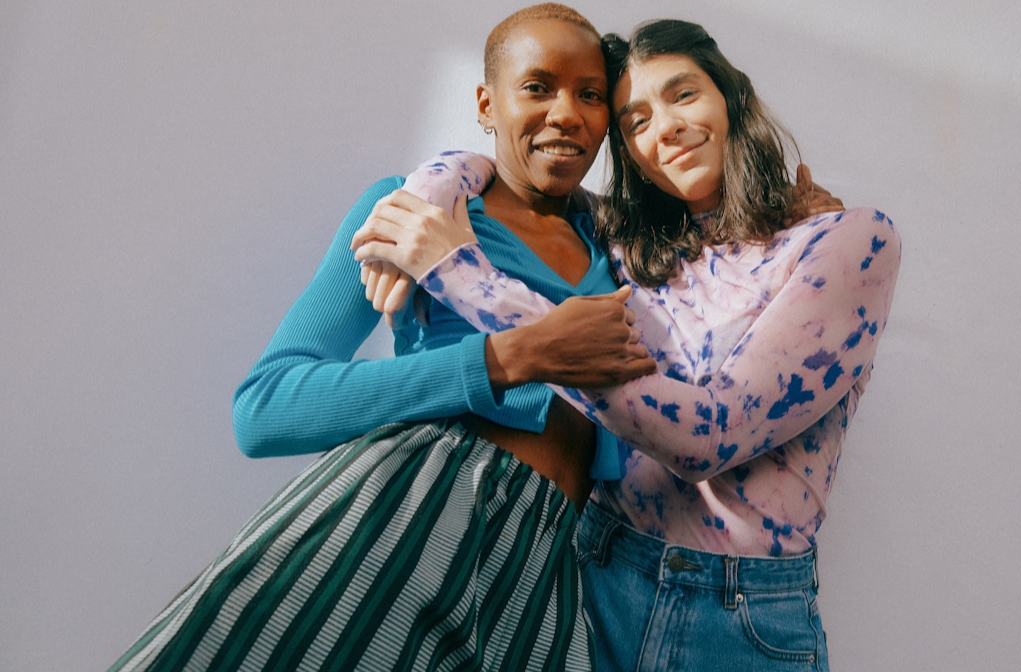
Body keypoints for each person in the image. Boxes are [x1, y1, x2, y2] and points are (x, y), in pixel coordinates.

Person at [107, 5, 657, 672]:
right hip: (408, 514)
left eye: (590, 94)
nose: (567, 112)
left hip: (547, 567)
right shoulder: (412, 209)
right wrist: (507, 358)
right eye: (537, 86)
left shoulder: (629, 252)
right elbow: (265, 408)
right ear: (487, 103)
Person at [351, 18, 902, 672]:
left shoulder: (848, 241)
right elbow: (500, 170)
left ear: (732, 98)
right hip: (592, 575)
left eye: (683, 95)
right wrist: (423, 198)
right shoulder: (627, 241)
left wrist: (456, 269)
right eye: (634, 120)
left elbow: (710, 437)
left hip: (738, 621)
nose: (663, 126)